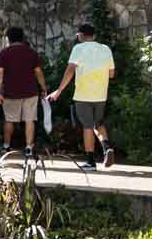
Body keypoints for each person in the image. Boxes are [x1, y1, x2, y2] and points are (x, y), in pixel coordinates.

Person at [50, 22, 118, 168]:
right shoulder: (105, 49)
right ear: (94, 35)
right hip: (100, 94)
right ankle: (107, 148)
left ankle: (91, 161)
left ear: (80, 35)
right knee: (98, 123)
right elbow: (111, 73)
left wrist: (59, 90)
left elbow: (70, 70)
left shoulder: (78, 48)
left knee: (87, 126)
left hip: (83, 94)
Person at [0, 26, 47, 157]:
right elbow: (38, 72)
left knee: (9, 120)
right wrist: (43, 87)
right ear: (22, 37)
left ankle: (7, 146)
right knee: (30, 120)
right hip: (30, 91)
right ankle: (29, 147)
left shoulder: (4, 53)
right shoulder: (31, 52)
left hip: (10, 92)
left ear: (9, 38)